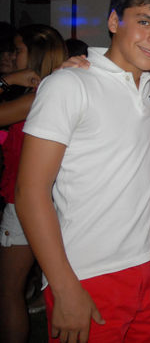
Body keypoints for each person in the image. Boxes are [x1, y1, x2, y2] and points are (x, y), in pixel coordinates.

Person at [15, 0, 150, 343]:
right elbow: (29, 193)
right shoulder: (68, 85)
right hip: (86, 273)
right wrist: (63, 286)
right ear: (113, 21)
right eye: (144, 22)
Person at [0, 24, 67, 343]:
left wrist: (6, 80)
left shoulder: (39, 97)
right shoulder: (52, 93)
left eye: (18, 50)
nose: (12, 56)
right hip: (48, 199)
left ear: (37, 54)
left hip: (25, 203)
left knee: (8, 291)